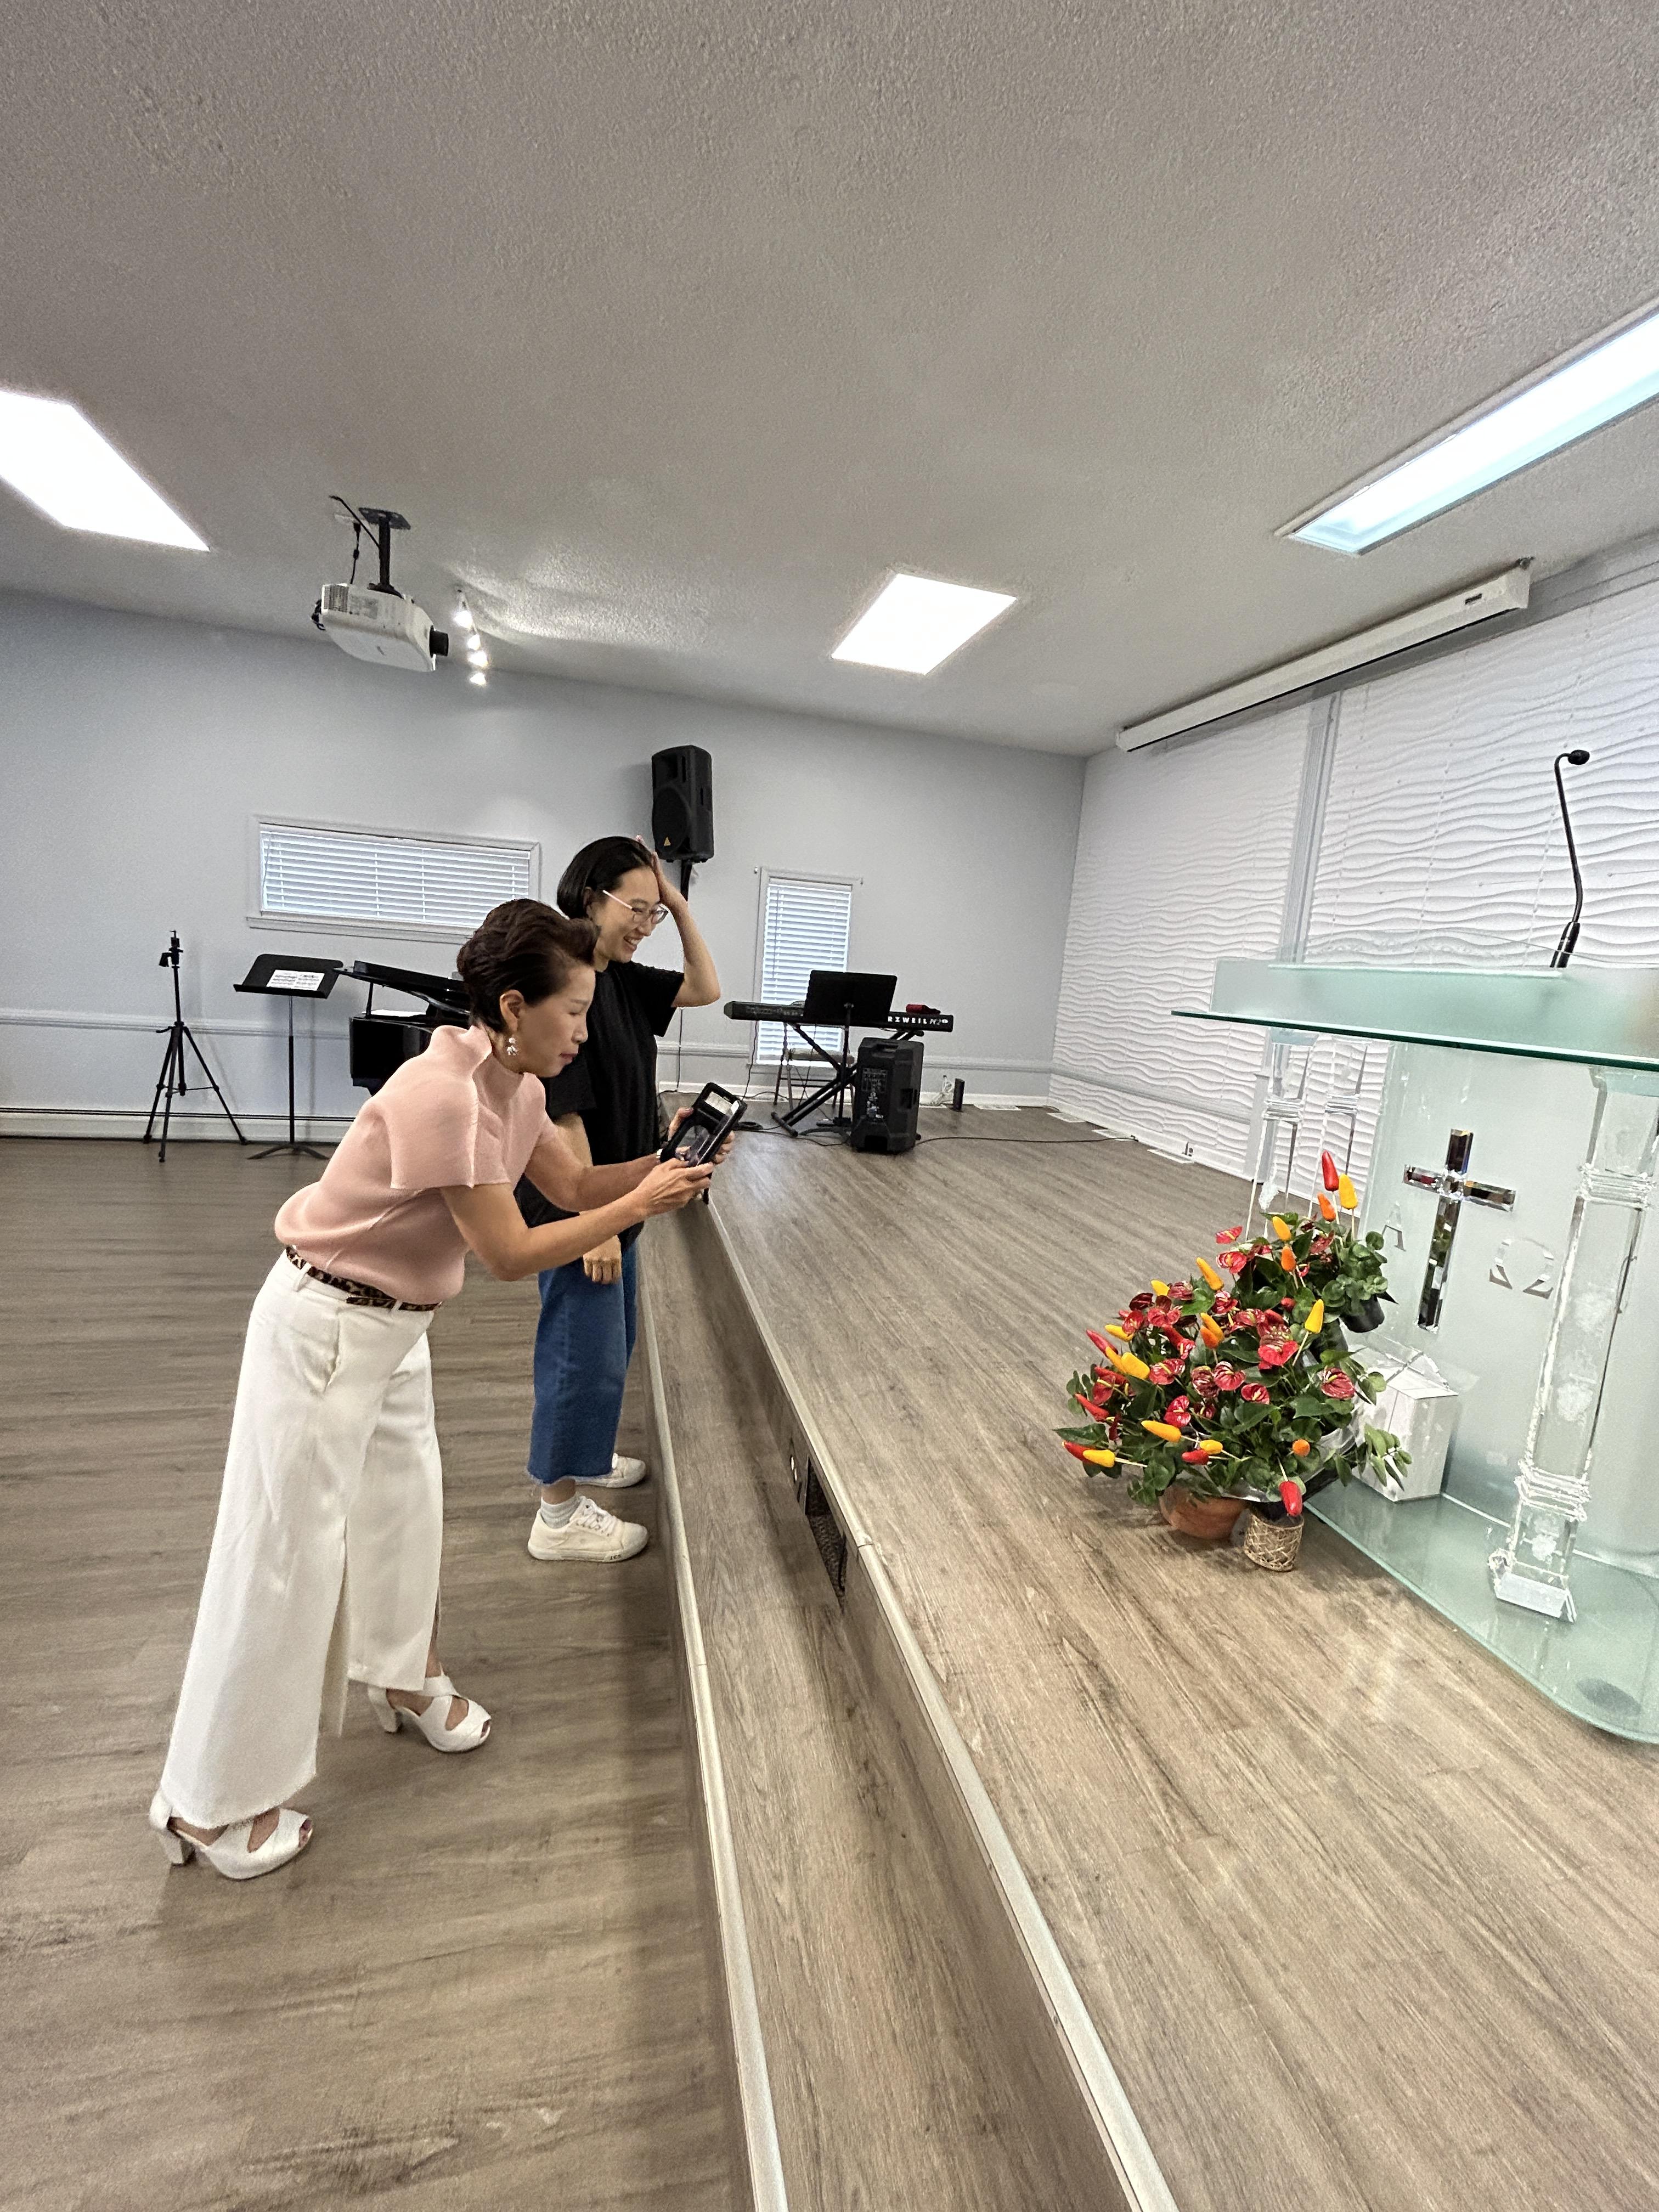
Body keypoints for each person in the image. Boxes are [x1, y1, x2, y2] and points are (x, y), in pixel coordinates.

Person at [149, 900, 712, 1880]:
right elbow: (510, 1253)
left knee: (405, 1516)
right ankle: (208, 1802)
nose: (585, 1032)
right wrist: (641, 1206)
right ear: (513, 1007)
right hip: (324, 1327)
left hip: (395, 1328)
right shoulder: (443, 1093)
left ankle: (405, 1678)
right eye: (574, 1011)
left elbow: (574, 1190)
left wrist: (664, 1165)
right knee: (280, 1557)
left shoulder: (515, 1084)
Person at [516, 837, 720, 1563]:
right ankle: (557, 1514)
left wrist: (676, 903)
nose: (644, 924)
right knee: (579, 1355)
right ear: (589, 898)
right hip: (584, 1208)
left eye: (652, 913)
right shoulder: (567, 987)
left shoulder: (625, 983)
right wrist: (591, 1224)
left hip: (620, 1199)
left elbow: (705, 987)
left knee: (610, 1347)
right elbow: (565, 1111)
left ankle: (590, 1457)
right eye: (635, 908)